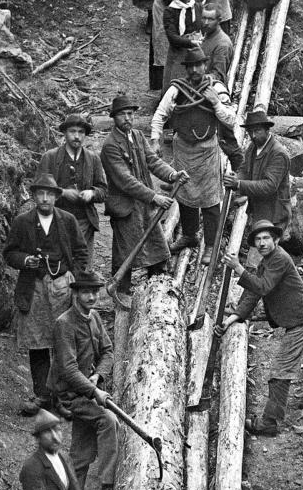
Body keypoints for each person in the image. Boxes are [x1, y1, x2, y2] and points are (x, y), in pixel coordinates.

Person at [221, 220, 303, 436]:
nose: (261, 243)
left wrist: (238, 268)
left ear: (276, 239)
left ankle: (269, 422)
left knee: (280, 370)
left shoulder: (279, 258)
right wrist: (239, 314)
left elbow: (262, 286)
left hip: (301, 319)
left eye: (266, 238)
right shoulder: (267, 261)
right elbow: (254, 291)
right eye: (257, 239)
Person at [3, 174, 87, 414]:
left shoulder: (68, 221)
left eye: (50, 194)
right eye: (40, 193)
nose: (45, 198)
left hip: (63, 287)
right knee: (37, 344)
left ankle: (61, 398)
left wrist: (75, 280)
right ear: (34, 196)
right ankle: (42, 396)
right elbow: (9, 253)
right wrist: (24, 260)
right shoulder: (22, 222)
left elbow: (81, 252)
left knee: (63, 343)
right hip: (35, 288)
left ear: (57, 197)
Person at [150, 45, 241, 260]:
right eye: (190, 66)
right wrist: (156, 139)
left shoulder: (216, 88)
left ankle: (211, 245)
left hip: (208, 149)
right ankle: (189, 235)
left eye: (198, 65)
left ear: (205, 65)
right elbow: (160, 115)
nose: (194, 70)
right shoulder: (177, 89)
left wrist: (215, 102)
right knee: (185, 194)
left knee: (210, 199)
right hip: (183, 148)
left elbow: (231, 119)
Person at [101, 93, 184, 308]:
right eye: (122, 115)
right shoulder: (110, 145)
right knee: (126, 252)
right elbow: (125, 181)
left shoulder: (137, 136)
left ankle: (156, 289)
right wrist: (154, 196)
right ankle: (121, 295)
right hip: (125, 207)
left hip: (144, 204)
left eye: (130, 114)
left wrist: (172, 175)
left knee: (156, 245)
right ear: (114, 118)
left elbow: (152, 161)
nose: (128, 118)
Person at [48, 270, 116, 490]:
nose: (91, 297)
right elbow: (67, 369)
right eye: (86, 292)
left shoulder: (95, 317)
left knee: (81, 453)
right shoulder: (64, 324)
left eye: (95, 292)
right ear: (75, 293)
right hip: (71, 395)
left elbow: (108, 351)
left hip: (89, 391)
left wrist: (98, 376)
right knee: (109, 421)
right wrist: (93, 390)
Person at [34, 118, 107, 272]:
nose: (77, 136)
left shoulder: (93, 159)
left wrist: (92, 193)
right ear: (64, 134)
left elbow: (103, 191)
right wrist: (62, 192)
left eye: (81, 132)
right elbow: (38, 190)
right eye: (72, 131)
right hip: (55, 222)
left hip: (84, 222)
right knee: (58, 267)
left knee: (82, 267)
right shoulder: (50, 157)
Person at [224, 107, 291, 234]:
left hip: (274, 214)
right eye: (250, 132)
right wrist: (236, 177)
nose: (253, 136)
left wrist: (238, 184)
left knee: (265, 249)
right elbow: (244, 169)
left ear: (267, 130)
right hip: (258, 209)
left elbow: (269, 186)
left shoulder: (278, 154)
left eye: (257, 131)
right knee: (257, 248)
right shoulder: (253, 146)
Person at [162, 0, 204, 89]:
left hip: (196, 49)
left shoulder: (197, 7)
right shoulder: (170, 11)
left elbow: (202, 27)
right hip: (179, 50)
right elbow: (172, 36)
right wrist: (190, 42)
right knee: (177, 81)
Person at [201, 5, 234, 84]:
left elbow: (219, 76)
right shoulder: (208, 35)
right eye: (204, 18)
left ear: (219, 21)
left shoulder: (222, 44)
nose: (206, 23)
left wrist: (196, 77)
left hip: (212, 91)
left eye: (210, 19)